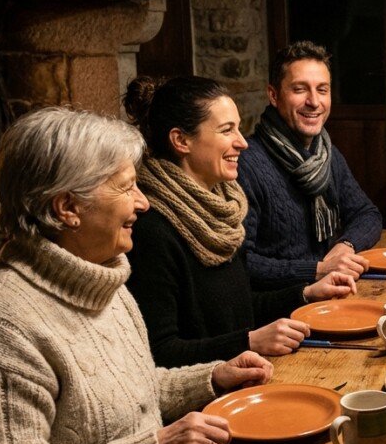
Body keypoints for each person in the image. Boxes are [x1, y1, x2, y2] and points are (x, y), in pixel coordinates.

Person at [0, 107, 274, 444]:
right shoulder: (0, 323)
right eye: (126, 186)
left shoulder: (102, 278)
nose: (144, 202)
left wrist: (211, 377)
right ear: (68, 208)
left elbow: (125, 391)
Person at [124, 76, 357, 367]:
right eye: (226, 131)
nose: (242, 143)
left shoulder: (223, 208)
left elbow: (238, 307)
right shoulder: (153, 229)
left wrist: (306, 292)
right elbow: (160, 353)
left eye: (238, 128)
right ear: (181, 140)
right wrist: (249, 341)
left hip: (247, 373)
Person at [238, 41, 382, 288]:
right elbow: (243, 263)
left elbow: (368, 214)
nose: (314, 102)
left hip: (328, 294)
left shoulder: (326, 155)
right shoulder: (247, 164)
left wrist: (344, 246)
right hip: (280, 312)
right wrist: (317, 270)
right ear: (273, 95)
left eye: (322, 90)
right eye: (300, 89)